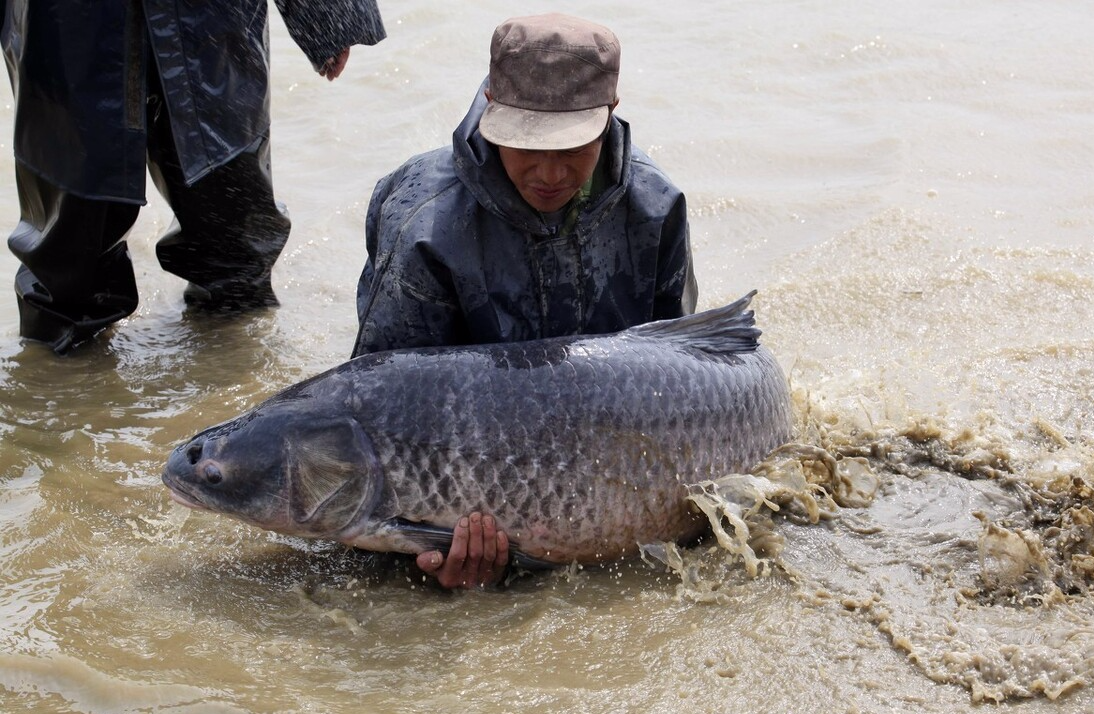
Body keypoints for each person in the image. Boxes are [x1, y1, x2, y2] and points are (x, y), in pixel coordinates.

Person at [352, 13, 698, 588]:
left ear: (610, 113)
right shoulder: (423, 223)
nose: (549, 172)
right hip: (466, 460)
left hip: (608, 446)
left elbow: (679, 368)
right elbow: (383, 405)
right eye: (526, 145)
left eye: (572, 148)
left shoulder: (655, 205)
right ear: (490, 106)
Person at [2, 0, 386, 355]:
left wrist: (326, 16)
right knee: (67, 257)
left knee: (233, 234)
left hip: (208, 21)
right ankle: (57, 400)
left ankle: (233, 380)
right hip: (64, 22)